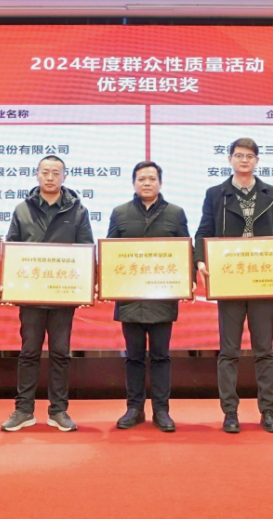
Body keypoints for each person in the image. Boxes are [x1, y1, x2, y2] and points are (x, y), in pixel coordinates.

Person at [195, 138, 273, 434]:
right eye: (239, 155)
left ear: (257, 161)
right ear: (229, 159)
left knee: (265, 350)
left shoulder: (271, 193)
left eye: (250, 156)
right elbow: (204, 231)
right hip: (230, 280)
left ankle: (268, 411)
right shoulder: (216, 194)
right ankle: (230, 413)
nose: (244, 160)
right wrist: (200, 260)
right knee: (229, 351)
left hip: (262, 279)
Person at [1, 155, 95, 433]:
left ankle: (58, 410)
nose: (50, 177)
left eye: (56, 172)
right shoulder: (22, 209)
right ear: (37, 175)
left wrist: (84, 286)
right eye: (45, 172)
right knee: (29, 352)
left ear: (65, 177)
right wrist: (10, 284)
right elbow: (11, 249)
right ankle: (23, 410)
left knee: (60, 353)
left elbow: (86, 250)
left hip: (62, 296)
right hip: (30, 296)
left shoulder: (78, 211)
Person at [106, 161, 190, 432]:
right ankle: (134, 408)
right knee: (133, 357)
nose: (146, 183)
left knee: (161, 356)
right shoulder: (120, 213)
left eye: (152, 179)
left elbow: (185, 252)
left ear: (160, 183)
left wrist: (186, 281)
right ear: (133, 183)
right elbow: (110, 254)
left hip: (162, 297)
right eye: (141, 178)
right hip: (129, 297)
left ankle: (161, 410)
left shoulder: (175, 213)